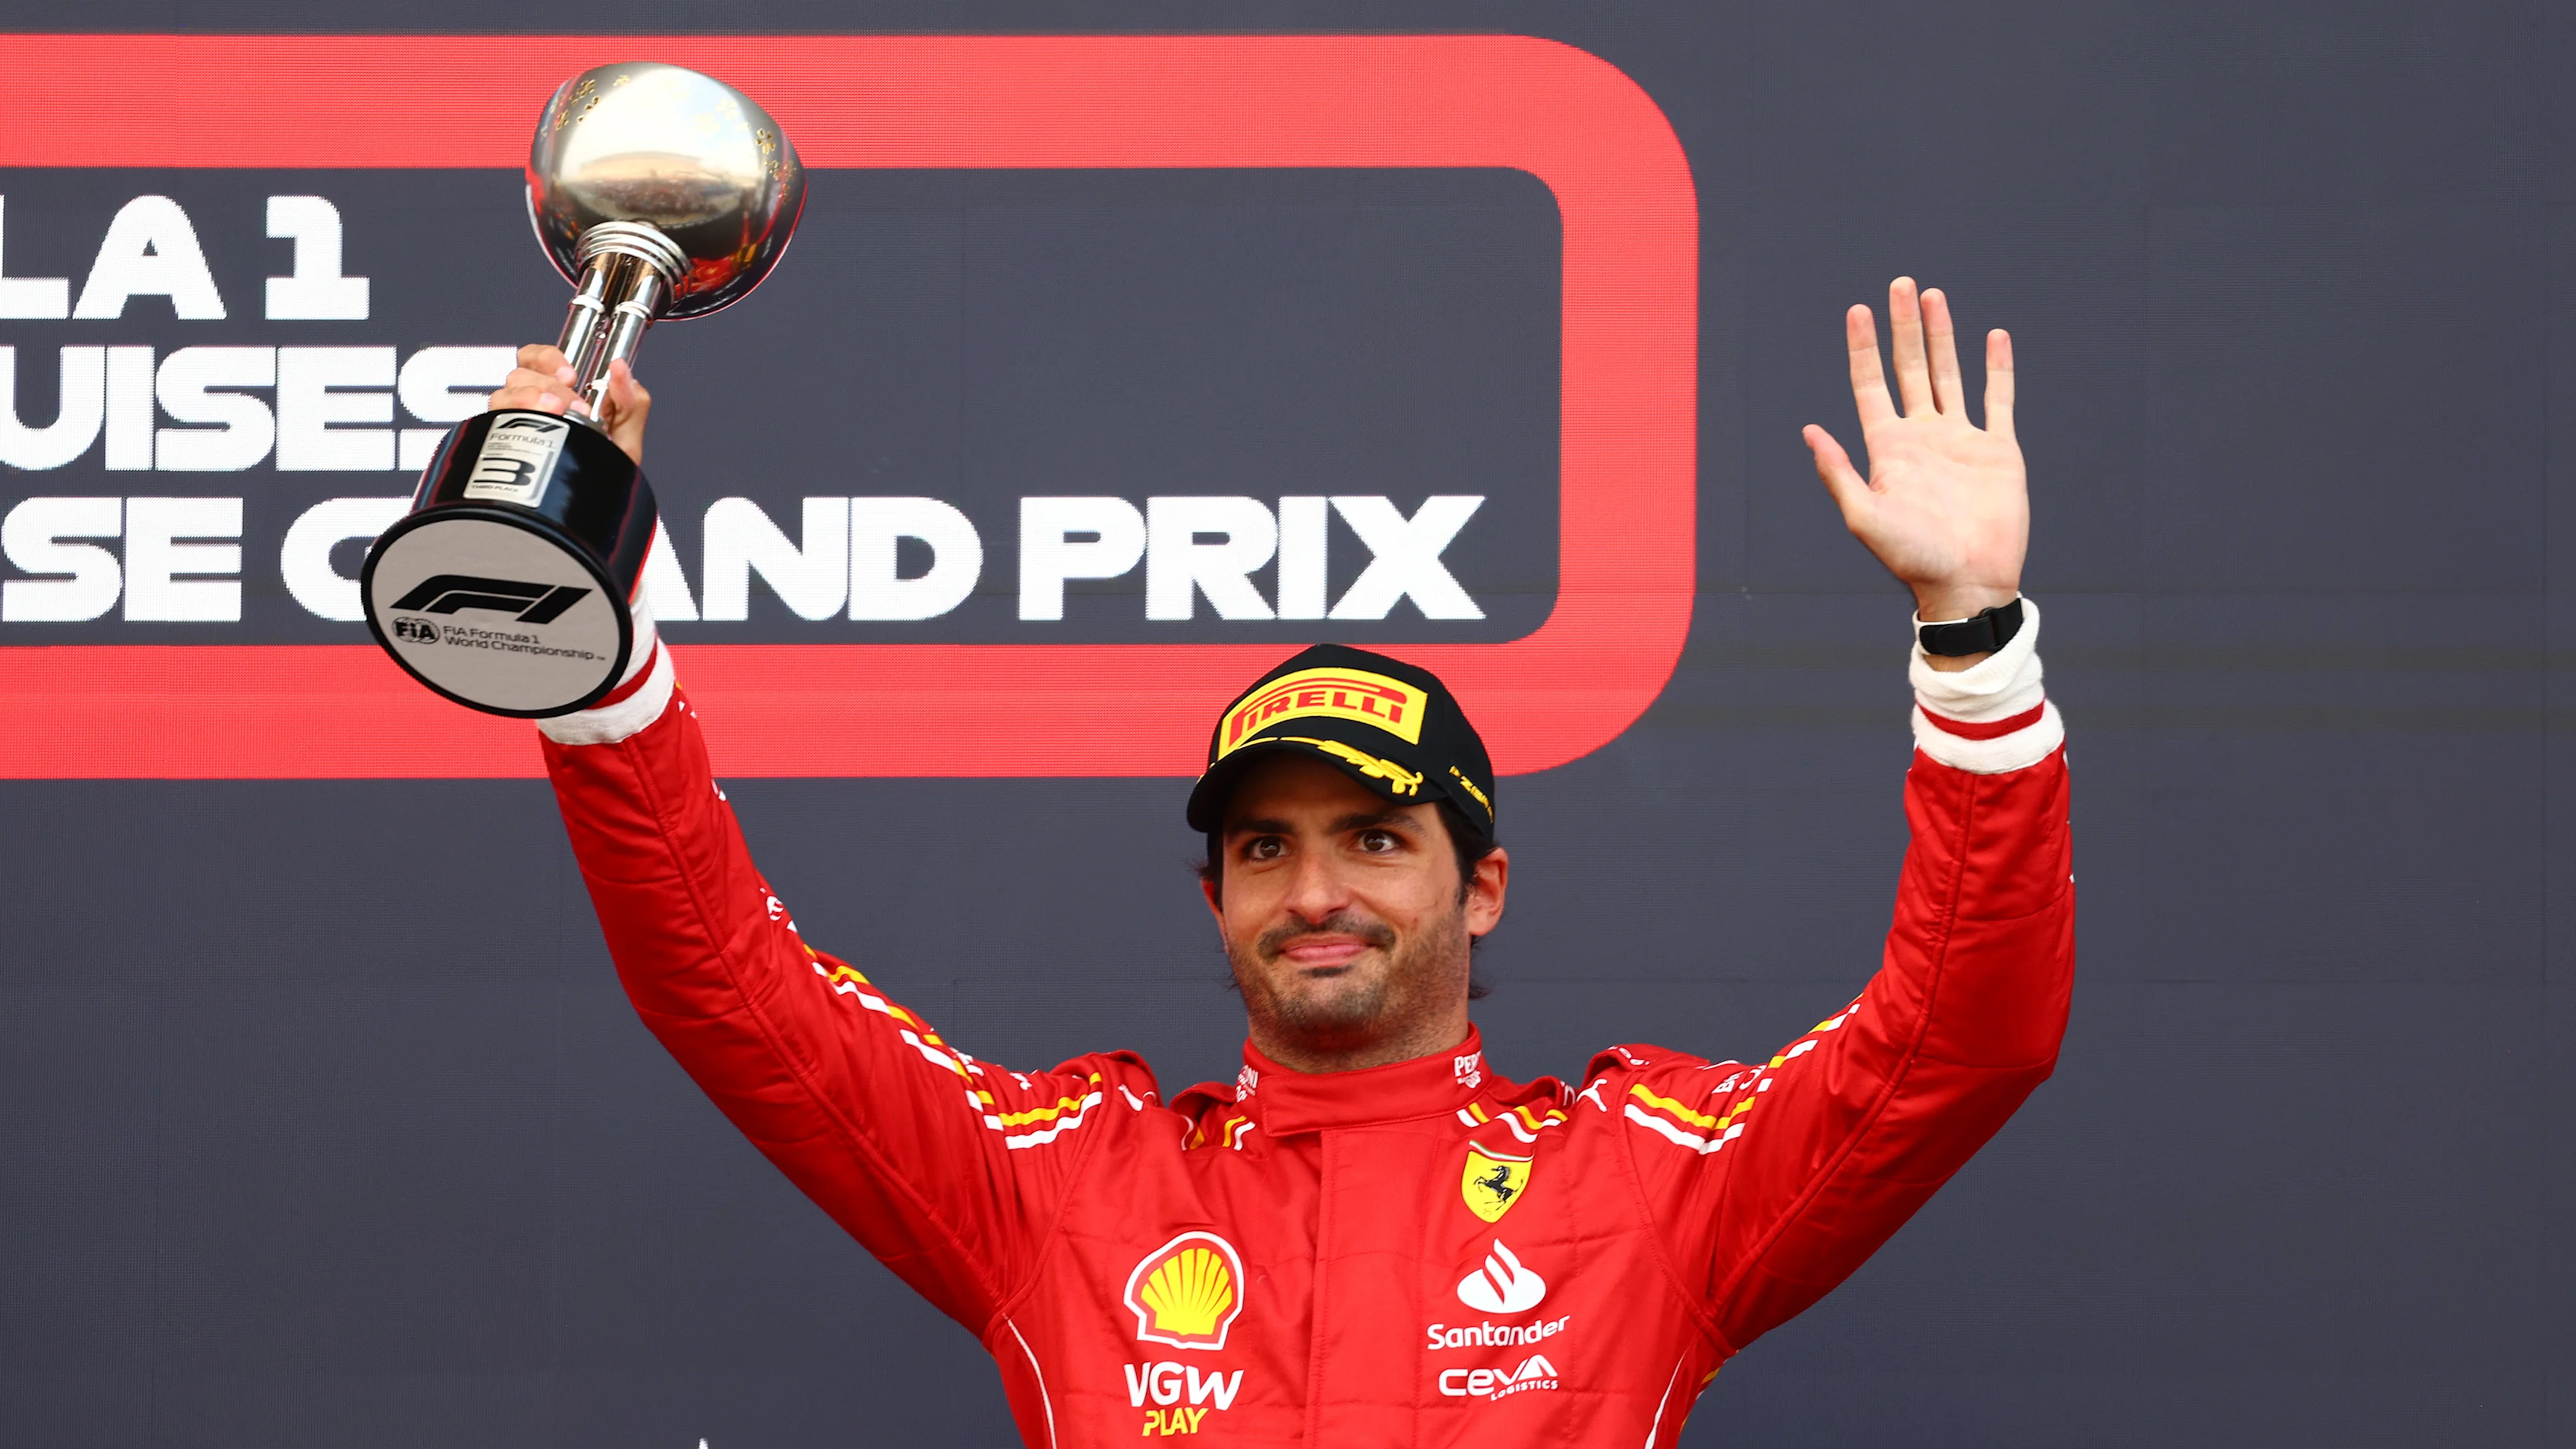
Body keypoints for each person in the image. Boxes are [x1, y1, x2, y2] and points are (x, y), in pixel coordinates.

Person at [500, 277, 2072, 1446]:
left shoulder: (1647, 1180)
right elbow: (732, 991)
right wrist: (591, 653)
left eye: (1376, 839)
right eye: (1266, 847)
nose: (1315, 892)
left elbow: (1962, 1039)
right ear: (1216, 900)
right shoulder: (1063, 1187)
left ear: (1483, 886)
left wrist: (1973, 643)